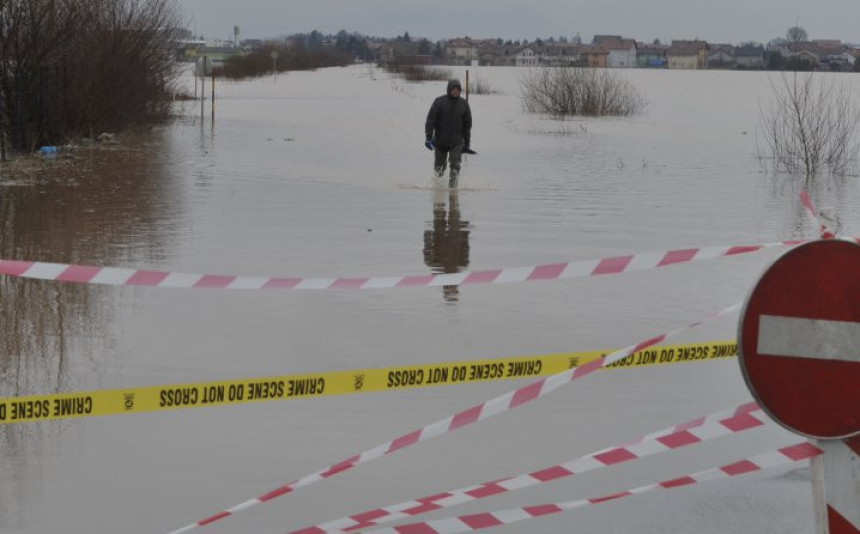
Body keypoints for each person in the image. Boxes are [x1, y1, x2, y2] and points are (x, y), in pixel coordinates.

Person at [425, 79, 474, 187]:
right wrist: (428, 137)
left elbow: (467, 125)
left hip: (457, 142)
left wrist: (467, 142)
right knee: (439, 167)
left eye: (458, 90)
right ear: (449, 89)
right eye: (454, 89)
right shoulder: (439, 102)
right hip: (440, 141)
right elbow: (430, 120)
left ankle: (453, 189)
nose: (456, 91)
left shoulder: (464, 104)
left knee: (455, 165)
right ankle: (438, 190)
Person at [423, 189, 470, 302]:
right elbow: (465, 246)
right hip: (453, 232)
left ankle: (441, 190)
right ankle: (444, 190)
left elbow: (427, 250)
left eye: (450, 287)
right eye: (453, 287)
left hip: (441, 232)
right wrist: (465, 231)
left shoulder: (435, 266)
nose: (451, 284)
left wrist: (427, 235)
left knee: (441, 206)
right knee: (453, 206)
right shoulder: (462, 264)